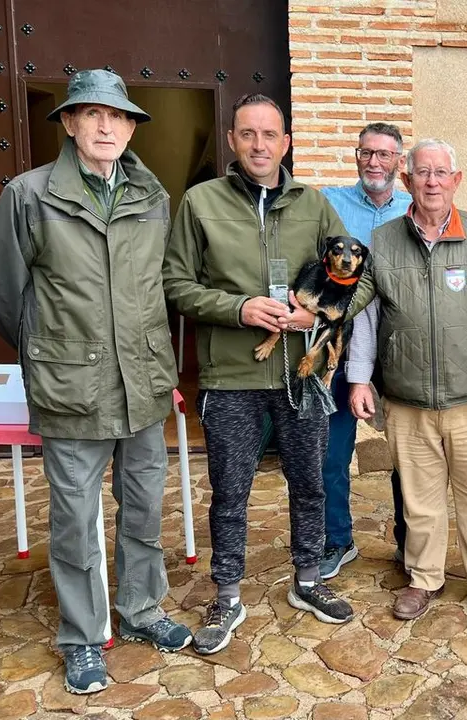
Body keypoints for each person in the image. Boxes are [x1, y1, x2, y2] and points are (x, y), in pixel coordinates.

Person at [0, 69, 191, 694]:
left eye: (119, 116)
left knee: (146, 507)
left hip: (144, 384)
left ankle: (143, 609)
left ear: (131, 127)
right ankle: (82, 635)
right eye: (92, 114)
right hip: (72, 390)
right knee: (75, 519)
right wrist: (50, 351)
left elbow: (156, 286)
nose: (106, 126)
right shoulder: (29, 194)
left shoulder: (153, 197)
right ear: (69, 123)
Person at [163, 93, 371, 655]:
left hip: (301, 377)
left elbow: (362, 279)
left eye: (270, 135)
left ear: (286, 142)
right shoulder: (200, 202)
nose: (259, 145)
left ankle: (308, 581)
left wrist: (323, 312)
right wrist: (239, 308)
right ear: (233, 140)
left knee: (309, 485)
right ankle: (227, 593)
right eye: (248, 134)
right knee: (229, 492)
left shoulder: (314, 204)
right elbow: (175, 284)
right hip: (231, 376)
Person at [347, 139, 467, 624]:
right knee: (419, 500)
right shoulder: (383, 241)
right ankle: (424, 578)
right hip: (407, 401)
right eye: (421, 173)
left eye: (440, 173)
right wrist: (360, 379)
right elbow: (366, 319)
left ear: (456, 181)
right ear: (407, 181)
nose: (431, 181)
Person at [317, 123, 411, 579]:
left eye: (385, 155)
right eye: (366, 153)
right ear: (356, 157)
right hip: (340, 348)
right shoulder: (329, 204)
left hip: (397, 350)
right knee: (332, 454)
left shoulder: (415, 208)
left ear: (399, 161)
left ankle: (409, 543)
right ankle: (338, 540)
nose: (375, 162)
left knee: (409, 456)